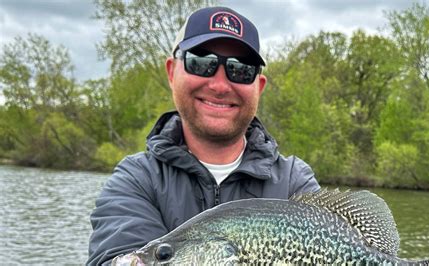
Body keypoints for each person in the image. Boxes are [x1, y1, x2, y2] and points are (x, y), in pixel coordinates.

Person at [87, 6, 320, 265]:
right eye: (201, 63)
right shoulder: (137, 180)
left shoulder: (293, 182)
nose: (219, 85)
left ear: (259, 87)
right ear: (172, 72)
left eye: (240, 70)